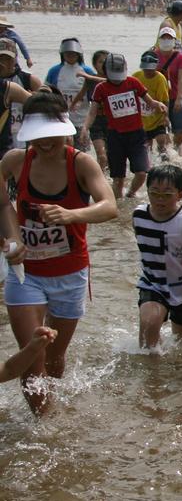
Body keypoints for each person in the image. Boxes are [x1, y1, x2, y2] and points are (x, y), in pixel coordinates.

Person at [0, 91, 118, 414]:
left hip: (70, 273)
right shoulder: (15, 161)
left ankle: (53, 412)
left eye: (51, 136)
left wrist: (70, 215)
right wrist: (12, 237)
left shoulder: (80, 163)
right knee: (31, 355)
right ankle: (44, 426)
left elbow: (110, 207)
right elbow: (2, 203)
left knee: (53, 358)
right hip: (26, 274)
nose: (45, 144)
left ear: (64, 129)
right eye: (37, 139)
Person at [133, 164, 182, 350]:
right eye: (154, 193)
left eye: (167, 195)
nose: (159, 200)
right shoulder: (139, 215)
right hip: (153, 283)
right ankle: (152, 374)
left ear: (180, 195)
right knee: (149, 326)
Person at [83, 54, 167, 199]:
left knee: (142, 173)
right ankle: (118, 207)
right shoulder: (101, 88)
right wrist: (85, 128)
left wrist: (158, 105)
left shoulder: (133, 82)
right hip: (115, 136)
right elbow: (92, 112)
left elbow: (150, 101)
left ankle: (130, 194)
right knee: (118, 179)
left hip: (137, 135)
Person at [45, 38, 96, 145]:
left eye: (73, 54)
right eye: (67, 54)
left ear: (78, 54)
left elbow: (94, 97)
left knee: (81, 154)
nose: (70, 56)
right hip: (60, 120)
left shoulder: (87, 71)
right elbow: (46, 93)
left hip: (81, 120)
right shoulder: (54, 71)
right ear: (62, 54)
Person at [133, 51, 171, 162]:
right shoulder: (136, 77)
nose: (148, 71)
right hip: (142, 119)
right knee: (146, 148)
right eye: (145, 69)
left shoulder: (160, 79)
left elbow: (165, 100)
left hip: (157, 117)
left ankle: (164, 159)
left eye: (151, 69)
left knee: (161, 140)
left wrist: (166, 116)